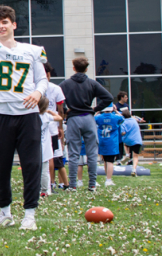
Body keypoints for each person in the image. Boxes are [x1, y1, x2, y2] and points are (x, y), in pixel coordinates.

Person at [0, 2, 48, 231]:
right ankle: (5, 212)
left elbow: (42, 79)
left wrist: (38, 92)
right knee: (0, 167)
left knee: (31, 165)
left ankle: (30, 215)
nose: (1, 26)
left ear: (14, 24)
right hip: (2, 115)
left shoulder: (32, 50)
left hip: (28, 115)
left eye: (5, 22)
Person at [59, 57, 113, 191]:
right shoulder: (92, 83)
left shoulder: (65, 84)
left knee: (73, 153)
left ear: (73, 68)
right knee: (92, 153)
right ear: (86, 69)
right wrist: (95, 109)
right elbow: (108, 98)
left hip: (73, 119)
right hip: (88, 118)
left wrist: (65, 111)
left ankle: (72, 185)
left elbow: (56, 99)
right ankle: (92, 184)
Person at [43, 63, 67, 191]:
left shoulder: (32, 87)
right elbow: (60, 110)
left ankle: (43, 183)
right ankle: (51, 183)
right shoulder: (55, 88)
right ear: (48, 74)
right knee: (51, 155)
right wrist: (60, 127)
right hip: (52, 125)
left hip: (37, 124)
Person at [95, 106, 124, 186]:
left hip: (102, 140)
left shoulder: (99, 117)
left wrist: (97, 112)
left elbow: (93, 119)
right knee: (110, 161)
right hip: (112, 141)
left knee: (105, 160)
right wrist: (116, 110)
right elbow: (122, 118)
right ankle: (108, 180)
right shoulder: (115, 117)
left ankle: (107, 177)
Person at [39, 97, 62, 197]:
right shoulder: (46, 116)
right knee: (44, 170)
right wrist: (50, 111)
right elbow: (59, 118)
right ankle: (45, 190)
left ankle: (35, 188)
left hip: (34, 145)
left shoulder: (33, 116)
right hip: (45, 146)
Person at [119, 108, 143, 176]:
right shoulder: (134, 120)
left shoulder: (123, 122)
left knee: (125, 144)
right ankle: (134, 170)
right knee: (135, 156)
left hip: (128, 140)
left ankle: (127, 154)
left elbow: (123, 132)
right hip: (136, 140)